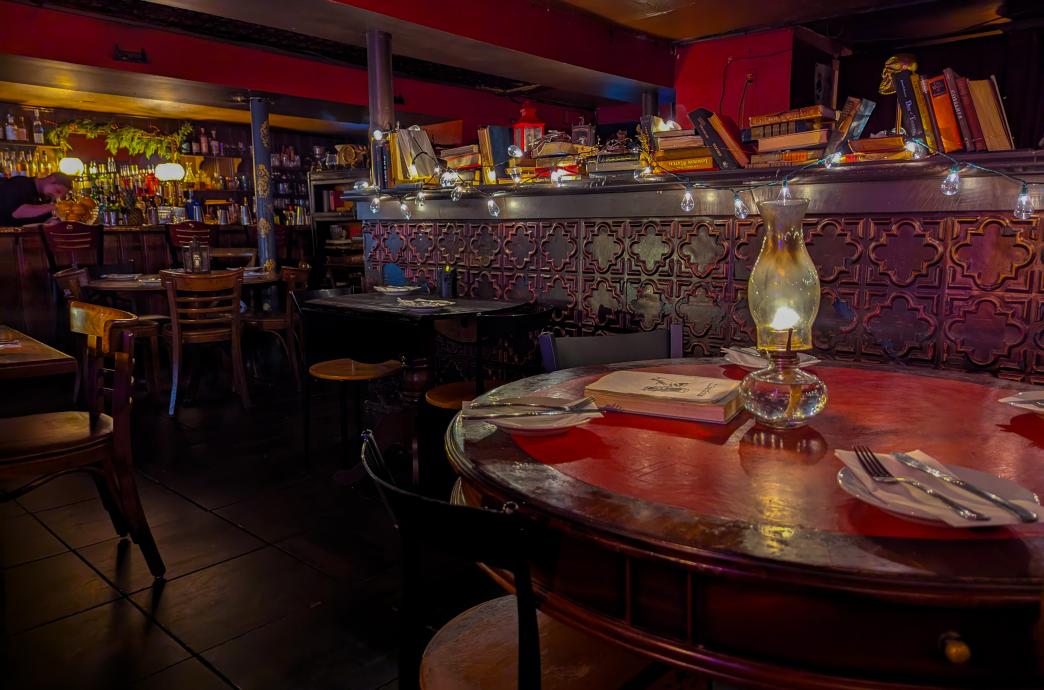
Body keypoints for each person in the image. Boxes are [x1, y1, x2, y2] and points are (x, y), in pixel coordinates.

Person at [0, 172, 73, 226]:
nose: (56, 197)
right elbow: (17, 213)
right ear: (51, 179)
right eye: (58, 191)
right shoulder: (21, 184)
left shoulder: (42, 197)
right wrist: (58, 206)